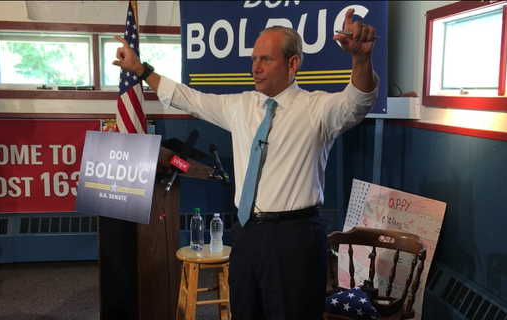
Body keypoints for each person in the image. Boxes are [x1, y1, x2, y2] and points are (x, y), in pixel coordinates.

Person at [113, 9, 379, 320]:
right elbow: (188, 98)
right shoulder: (241, 105)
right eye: (253, 59)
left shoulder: (317, 109)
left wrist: (360, 59)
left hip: (294, 238)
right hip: (245, 235)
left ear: (292, 64)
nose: (255, 67)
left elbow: (358, 101)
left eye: (266, 59)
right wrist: (141, 70)